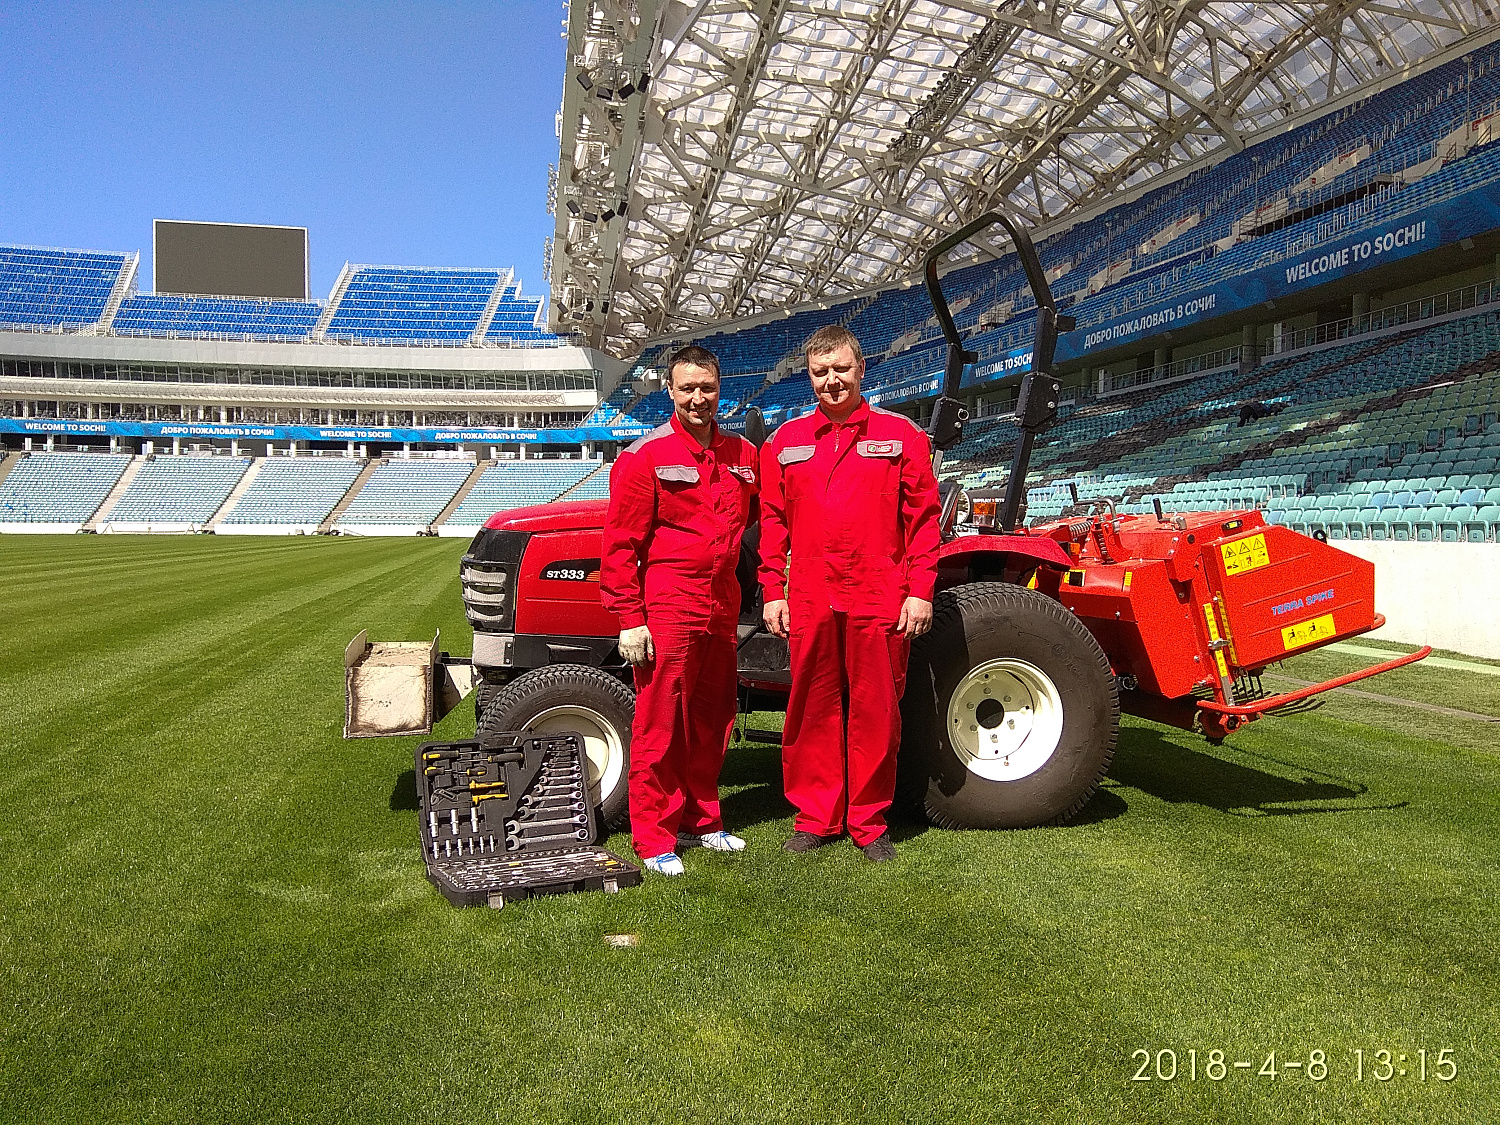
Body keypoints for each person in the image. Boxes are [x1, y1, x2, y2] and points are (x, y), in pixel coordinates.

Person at [758, 325, 941, 862]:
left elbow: (923, 521)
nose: (831, 381)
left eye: (841, 369)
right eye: (820, 372)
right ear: (808, 377)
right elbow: (772, 522)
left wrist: (921, 590)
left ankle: (868, 820)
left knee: (875, 709)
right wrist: (774, 590)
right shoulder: (786, 442)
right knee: (811, 707)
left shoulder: (900, 435)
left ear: (861, 370)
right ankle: (816, 815)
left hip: (880, 593)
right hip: (812, 593)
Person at [599, 345, 760, 876]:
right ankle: (653, 836)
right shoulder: (645, 456)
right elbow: (621, 544)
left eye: (707, 388)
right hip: (669, 601)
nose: (698, 398)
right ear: (670, 391)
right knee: (660, 721)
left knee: (713, 717)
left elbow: (759, 518)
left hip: (721, 603)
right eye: (687, 388)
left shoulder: (742, 456)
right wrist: (630, 616)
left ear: (720, 389)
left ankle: (703, 820)